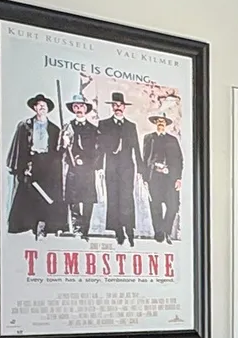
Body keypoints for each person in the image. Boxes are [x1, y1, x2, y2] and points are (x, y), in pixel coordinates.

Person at [5, 94, 66, 236]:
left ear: (48, 109)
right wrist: (22, 167)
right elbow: (19, 147)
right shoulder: (25, 126)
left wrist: (64, 143)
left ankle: (45, 226)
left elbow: (57, 153)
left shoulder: (55, 129)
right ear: (34, 108)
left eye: (44, 105)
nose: (42, 107)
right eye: (39, 105)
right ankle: (27, 225)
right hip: (31, 162)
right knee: (28, 194)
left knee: (46, 196)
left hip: (47, 165)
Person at [99, 91, 143, 246]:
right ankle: (118, 230)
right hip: (111, 166)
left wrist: (141, 169)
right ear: (112, 107)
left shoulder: (131, 126)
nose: (118, 107)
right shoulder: (104, 124)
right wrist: (99, 167)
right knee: (113, 197)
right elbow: (100, 146)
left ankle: (129, 230)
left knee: (127, 197)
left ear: (124, 107)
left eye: (120, 105)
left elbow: (136, 148)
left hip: (127, 167)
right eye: (115, 105)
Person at [62, 96, 102, 238]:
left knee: (88, 200)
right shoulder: (67, 127)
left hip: (87, 170)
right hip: (73, 170)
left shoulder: (93, 129)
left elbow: (97, 150)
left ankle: (85, 230)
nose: (79, 109)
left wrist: (85, 161)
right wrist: (64, 142)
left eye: (81, 106)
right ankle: (77, 228)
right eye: (76, 106)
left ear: (86, 109)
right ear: (73, 109)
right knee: (73, 199)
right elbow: (59, 150)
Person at [142, 112, 184, 243]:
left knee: (173, 206)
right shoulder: (149, 138)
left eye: (163, 121)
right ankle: (159, 233)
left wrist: (178, 178)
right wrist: (145, 179)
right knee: (155, 206)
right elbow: (145, 158)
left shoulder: (172, 140)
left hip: (169, 178)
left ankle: (166, 230)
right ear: (155, 123)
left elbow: (179, 159)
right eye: (159, 121)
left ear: (166, 124)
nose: (161, 123)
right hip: (154, 177)